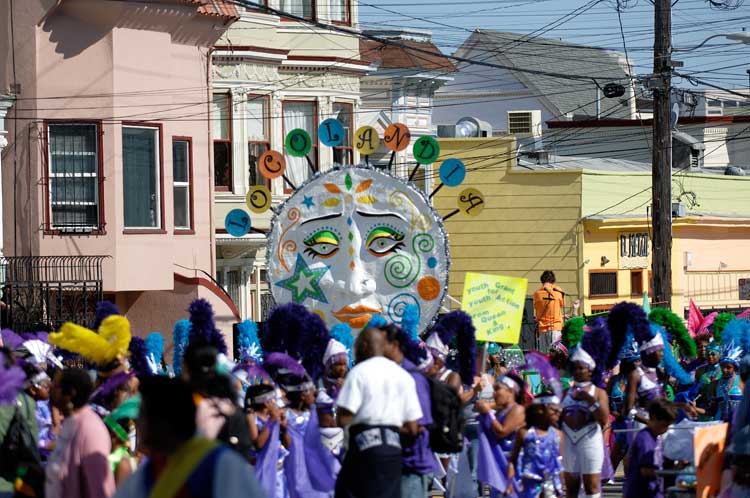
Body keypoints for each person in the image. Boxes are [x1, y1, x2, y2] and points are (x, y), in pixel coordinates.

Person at [112, 375, 265, 498]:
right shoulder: (148, 472)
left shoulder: (218, 462)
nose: (139, 424)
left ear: (165, 421)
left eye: (144, 416)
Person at [335, 327, 422, 498]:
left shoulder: (358, 373)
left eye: (357, 346)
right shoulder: (403, 375)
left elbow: (343, 418)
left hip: (363, 447)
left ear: (365, 346)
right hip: (393, 449)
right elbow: (413, 428)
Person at [382, 324, 436, 498]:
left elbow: (418, 427)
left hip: (412, 468)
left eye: (381, 343)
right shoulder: (392, 374)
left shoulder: (412, 377)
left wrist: (379, 428)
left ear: (395, 345)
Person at [46, 368, 115, 498]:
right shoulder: (70, 423)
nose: (50, 387)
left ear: (70, 393)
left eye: (55, 385)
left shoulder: (90, 429)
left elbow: (100, 489)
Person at [560, 343, 610, 498]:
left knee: (591, 486)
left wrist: (589, 399)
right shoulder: (565, 393)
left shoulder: (599, 393)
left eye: (581, 368)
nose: (577, 371)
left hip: (590, 441)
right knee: (571, 488)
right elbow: (557, 419)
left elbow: (604, 419)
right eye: (574, 368)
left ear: (590, 369)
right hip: (569, 442)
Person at [507, 397, 564, 498]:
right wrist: (509, 483)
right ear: (539, 410)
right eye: (553, 409)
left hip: (552, 484)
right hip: (530, 484)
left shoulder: (558, 435)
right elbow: (513, 460)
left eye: (559, 409)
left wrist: (563, 484)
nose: (558, 412)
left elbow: (561, 462)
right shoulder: (524, 433)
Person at [623, 399, 678, 498]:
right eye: (664, 425)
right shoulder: (645, 439)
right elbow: (647, 472)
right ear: (653, 418)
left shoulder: (657, 437)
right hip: (641, 493)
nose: (666, 429)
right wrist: (675, 471)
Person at [533, 271, 565, 353]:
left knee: (544, 356)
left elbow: (537, 308)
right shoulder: (558, 291)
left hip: (542, 329)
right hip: (555, 327)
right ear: (553, 280)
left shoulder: (537, 294)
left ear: (542, 280)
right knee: (555, 355)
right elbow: (561, 304)